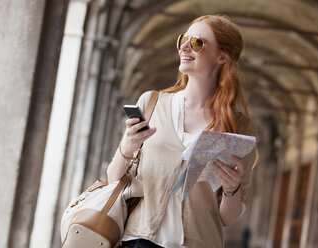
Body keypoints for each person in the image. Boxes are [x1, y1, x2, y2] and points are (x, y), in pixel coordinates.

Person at [107, 14, 258, 248]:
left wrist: (231, 189)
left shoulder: (239, 129)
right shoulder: (151, 103)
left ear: (222, 56)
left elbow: (227, 219)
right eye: (182, 40)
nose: (185, 47)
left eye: (197, 43)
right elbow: (113, 179)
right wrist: (126, 147)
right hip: (140, 240)